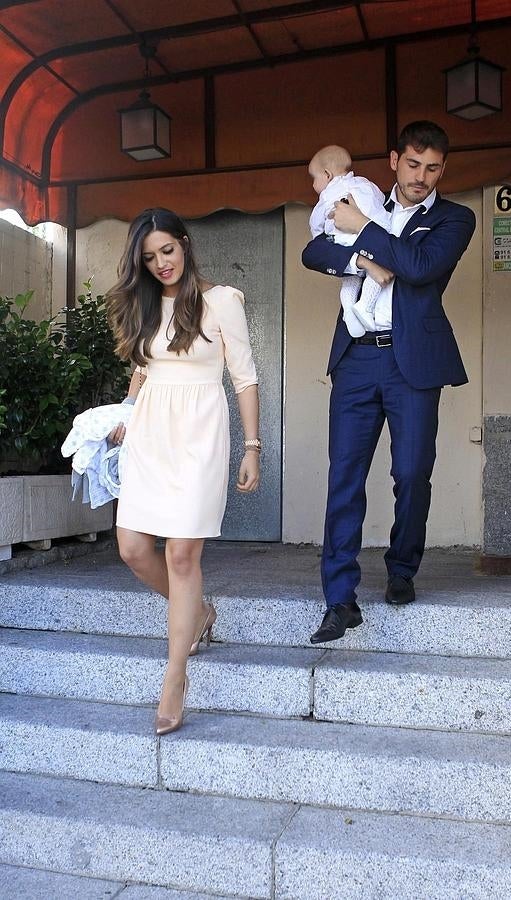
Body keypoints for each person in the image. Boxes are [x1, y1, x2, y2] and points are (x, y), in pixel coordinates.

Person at [302, 121, 475, 644]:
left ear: (442, 170)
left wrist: (361, 228)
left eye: (433, 168)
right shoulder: (360, 197)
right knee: (345, 477)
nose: (422, 176)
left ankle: (402, 568)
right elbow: (314, 251)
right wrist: (356, 250)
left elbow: (420, 266)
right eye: (414, 164)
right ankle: (339, 598)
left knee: (412, 472)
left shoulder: (454, 218)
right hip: (357, 358)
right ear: (394, 160)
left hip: (413, 364)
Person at [106, 208, 260, 734]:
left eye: (167, 250)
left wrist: (253, 447)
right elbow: (142, 370)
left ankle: (175, 675)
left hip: (200, 436)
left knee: (181, 552)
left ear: (186, 245)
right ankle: (197, 613)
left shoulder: (221, 302)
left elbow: (244, 378)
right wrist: (124, 418)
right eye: (149, 258)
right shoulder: (147, 306)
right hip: (150, 435)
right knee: (130, 546)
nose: (161, 264)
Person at [308, 145, 391, 336]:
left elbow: (316, 222)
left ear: (327, 175)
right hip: (371, 237)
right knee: (376, 273)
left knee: (350, 280)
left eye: (314, 178)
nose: (313, 185)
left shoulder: (327, 196)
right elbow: (380, 200)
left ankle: (350, 309)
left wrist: (320, 237)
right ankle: (365, 306)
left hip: (342, 243)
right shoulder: (364, 183)